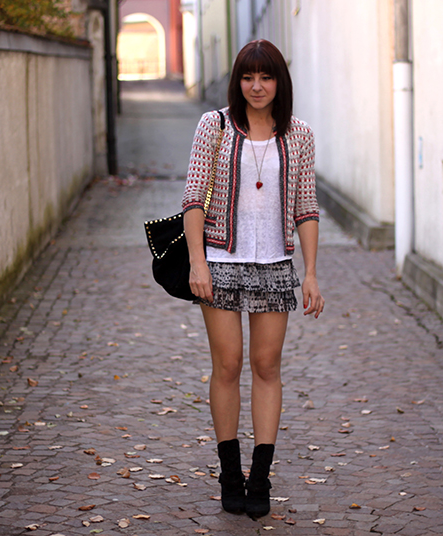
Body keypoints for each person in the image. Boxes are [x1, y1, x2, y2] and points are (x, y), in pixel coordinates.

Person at [182, 39, 324, 519]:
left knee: (267, 366)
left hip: (275, 265)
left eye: (266, 77)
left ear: (279, 81)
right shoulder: (215, 126)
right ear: (237, 81)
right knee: (228, 365)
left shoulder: (298, 134)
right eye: (248, 77)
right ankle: (229, 472)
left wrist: (310, 273)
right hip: (221, 261)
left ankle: (259, 476)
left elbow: (306, 205)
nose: (257, 86)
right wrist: (198, 263)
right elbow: (194, 198)